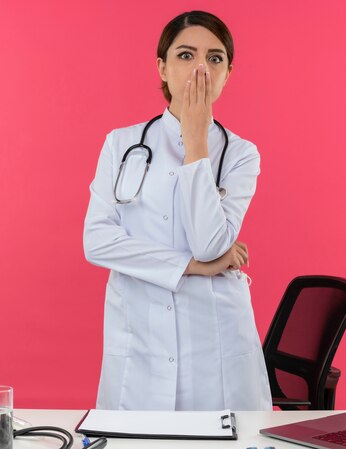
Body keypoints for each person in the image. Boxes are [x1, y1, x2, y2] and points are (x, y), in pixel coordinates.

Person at [83, 10, 272, 411]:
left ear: (228, 74)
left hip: (215, 344)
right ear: (162, 69)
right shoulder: (121, 144)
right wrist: (192, 266)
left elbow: (208, 244)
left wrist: (197, 142)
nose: (201, 68)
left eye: (215, 58)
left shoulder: (240, 155)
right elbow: (97, 242)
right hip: (140, 337)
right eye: (186, 55)